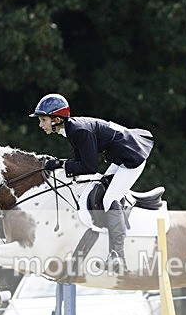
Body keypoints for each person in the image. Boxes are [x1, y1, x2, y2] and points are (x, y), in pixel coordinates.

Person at [30, 93, 154, 272]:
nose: (41, 125)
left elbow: (89, 166)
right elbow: (82, 161)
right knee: (100, 189)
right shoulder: (71, 129)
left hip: (131, 157)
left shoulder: (78, 131)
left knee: (109, 199)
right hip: (120, 157)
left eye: (43, 120)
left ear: (56, 119)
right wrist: (62, 163)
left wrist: (60, 164)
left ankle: (117, 256)